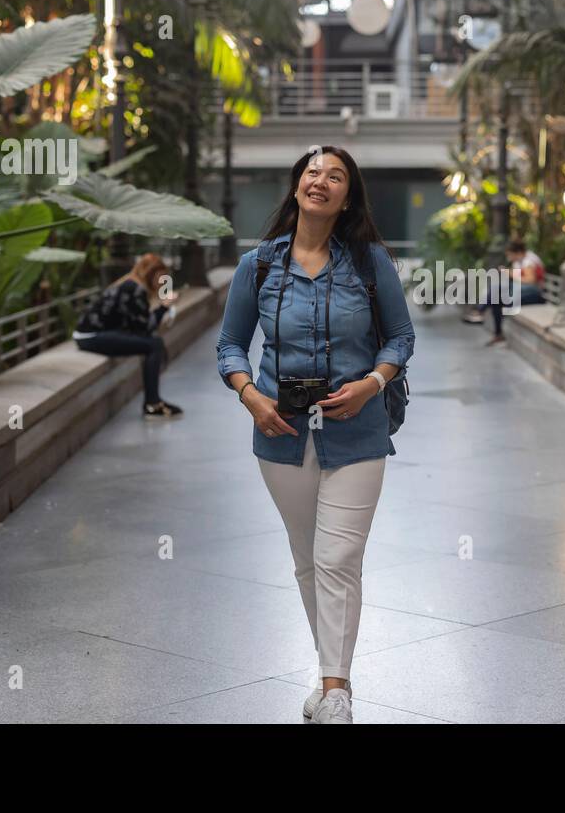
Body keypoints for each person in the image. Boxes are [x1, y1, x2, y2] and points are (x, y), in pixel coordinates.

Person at [215, 145, 415, 724]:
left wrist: (371, 385)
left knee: (338, 557)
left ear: (348, 197)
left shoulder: (369, 262)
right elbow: (230, 344)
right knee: (308, 561)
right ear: (297, 186)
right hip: (280, 432)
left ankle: (336, 690)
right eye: (312, 172)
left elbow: (400, 338)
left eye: (335, 176)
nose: (320, 181)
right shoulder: (258, 265)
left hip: (358, 431)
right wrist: (251, 396)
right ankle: (330, 673)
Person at [73, 252, 182, 417]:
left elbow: (138, 326)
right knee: (154, 345)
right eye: (160, 277)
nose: (161, 282)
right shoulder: (134, 288)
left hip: (92, 334)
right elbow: (146, 327)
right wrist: (164, 306)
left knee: (154, 343)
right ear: (151, 274)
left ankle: (153, 402)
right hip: (90, 337)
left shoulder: (130, 284)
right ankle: (152, 404)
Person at [463, 238, 546, 345]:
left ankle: (480, 313)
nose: (509, 258)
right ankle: (496, 332)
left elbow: (530, 281)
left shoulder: (529, 261)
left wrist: (510, 273)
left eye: (510, 255)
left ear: (518, 252)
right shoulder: (519, 261)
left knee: (498, 298)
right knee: (495, 296)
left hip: (533, 294)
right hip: (521, 291)